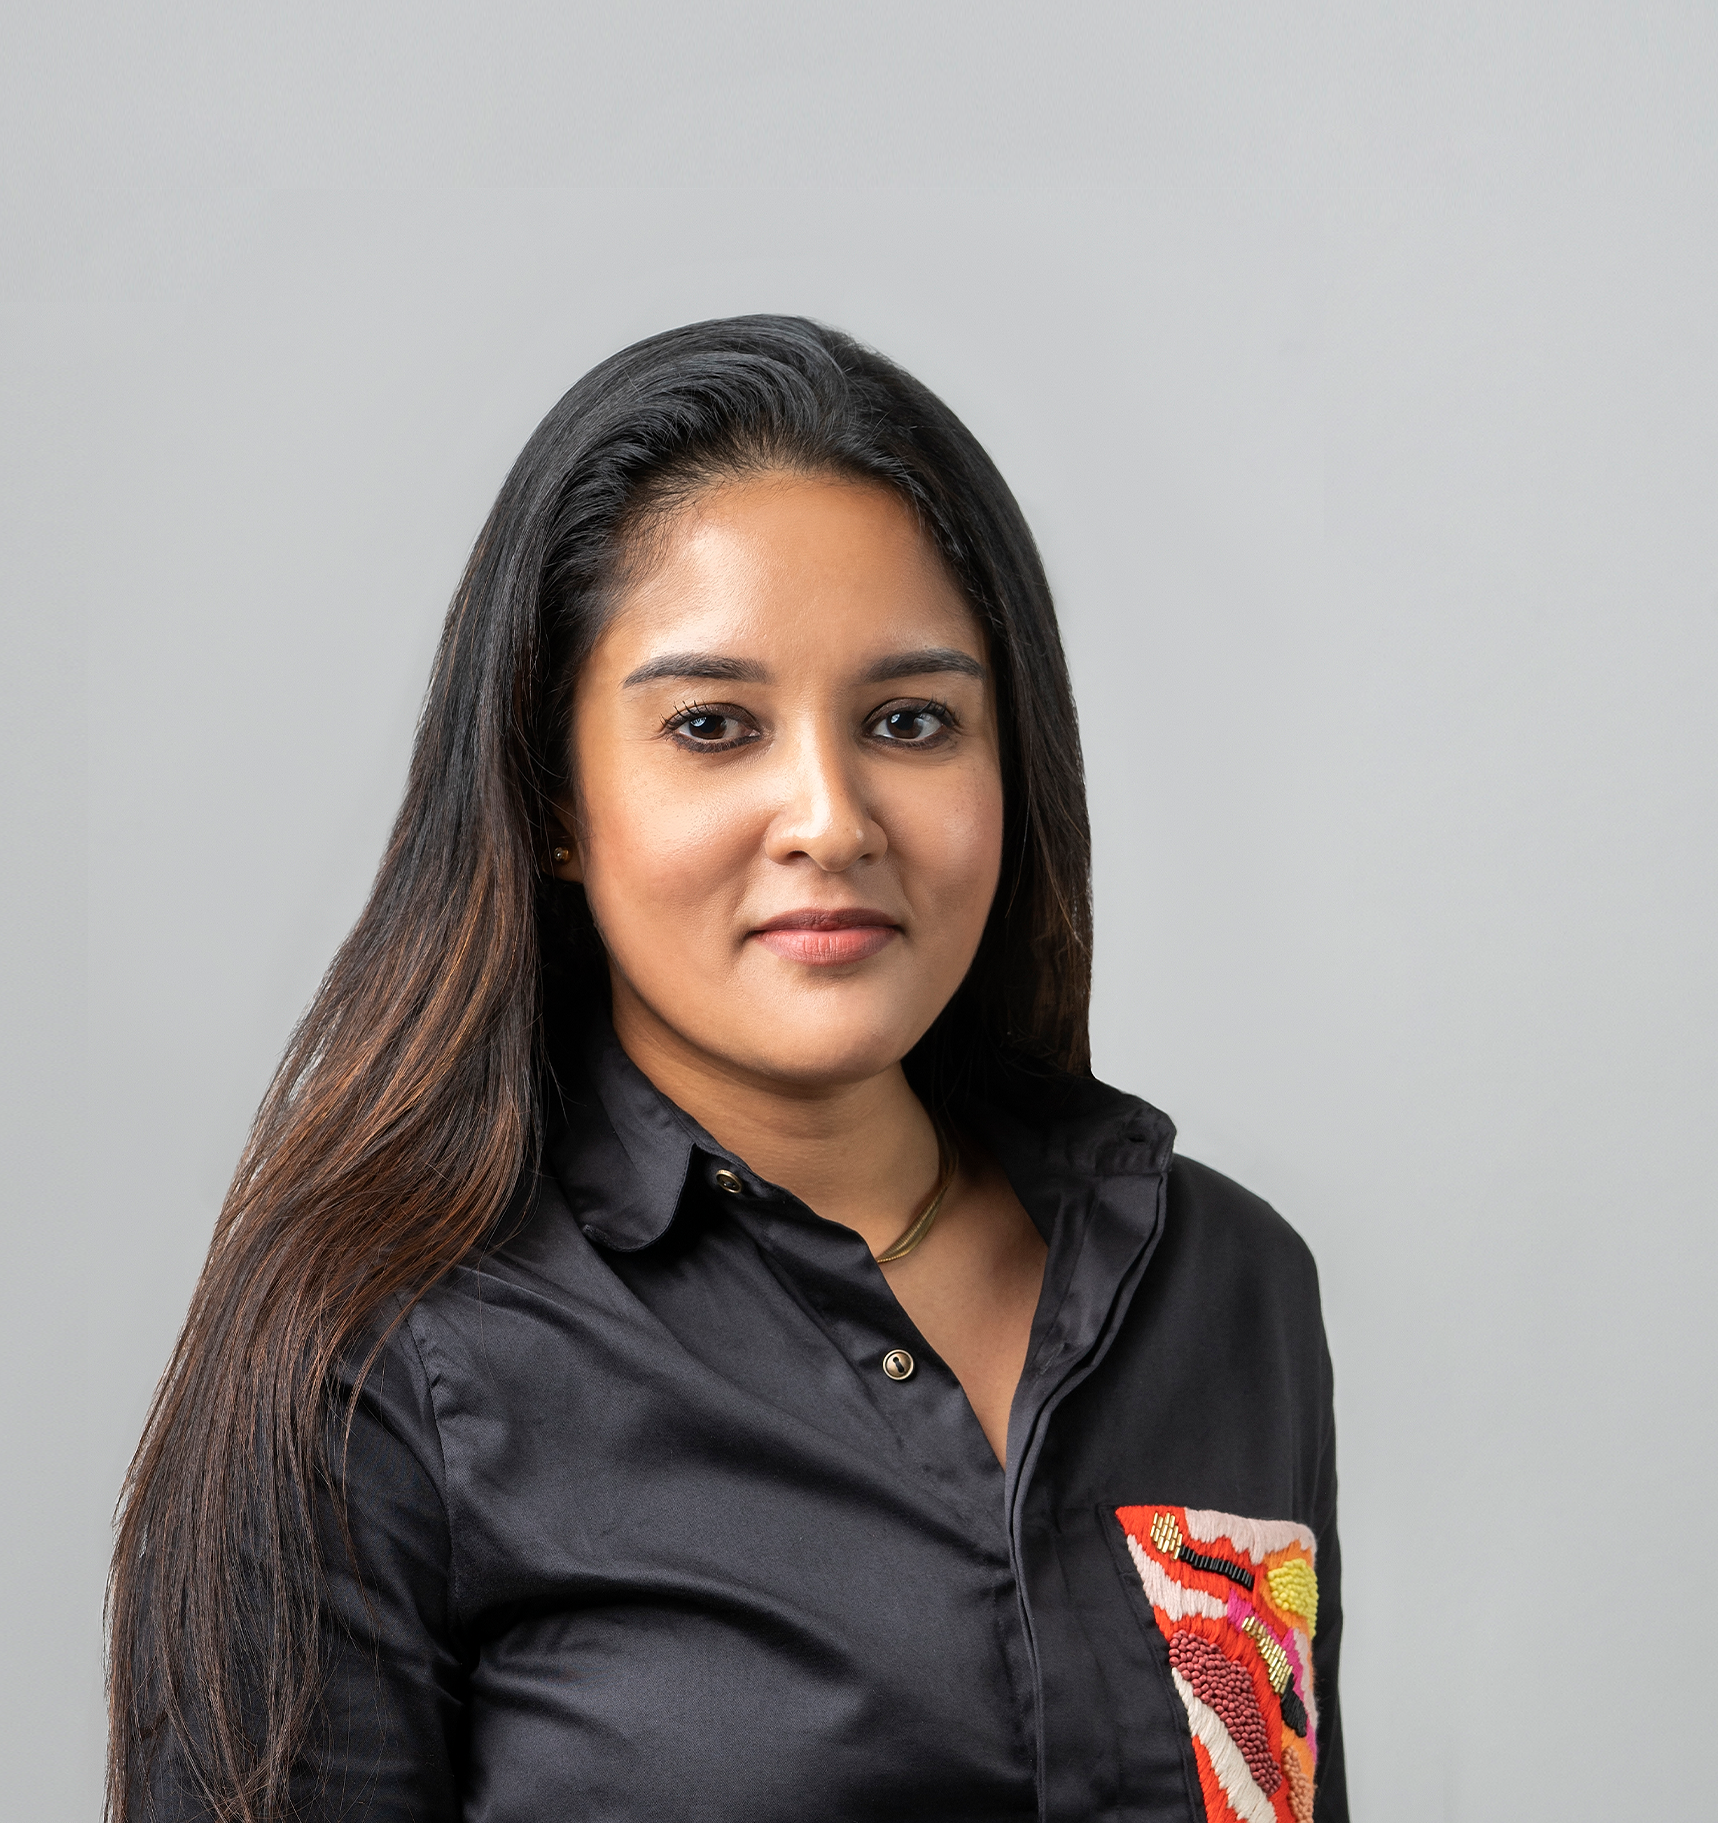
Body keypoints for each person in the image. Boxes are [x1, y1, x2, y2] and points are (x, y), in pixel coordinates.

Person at [107, 316, 1346, 1823]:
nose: (830, 815)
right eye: (713, 726)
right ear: (555, 798)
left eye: (910, 720)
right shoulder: (377, 1361)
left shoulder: (1224, 1285)